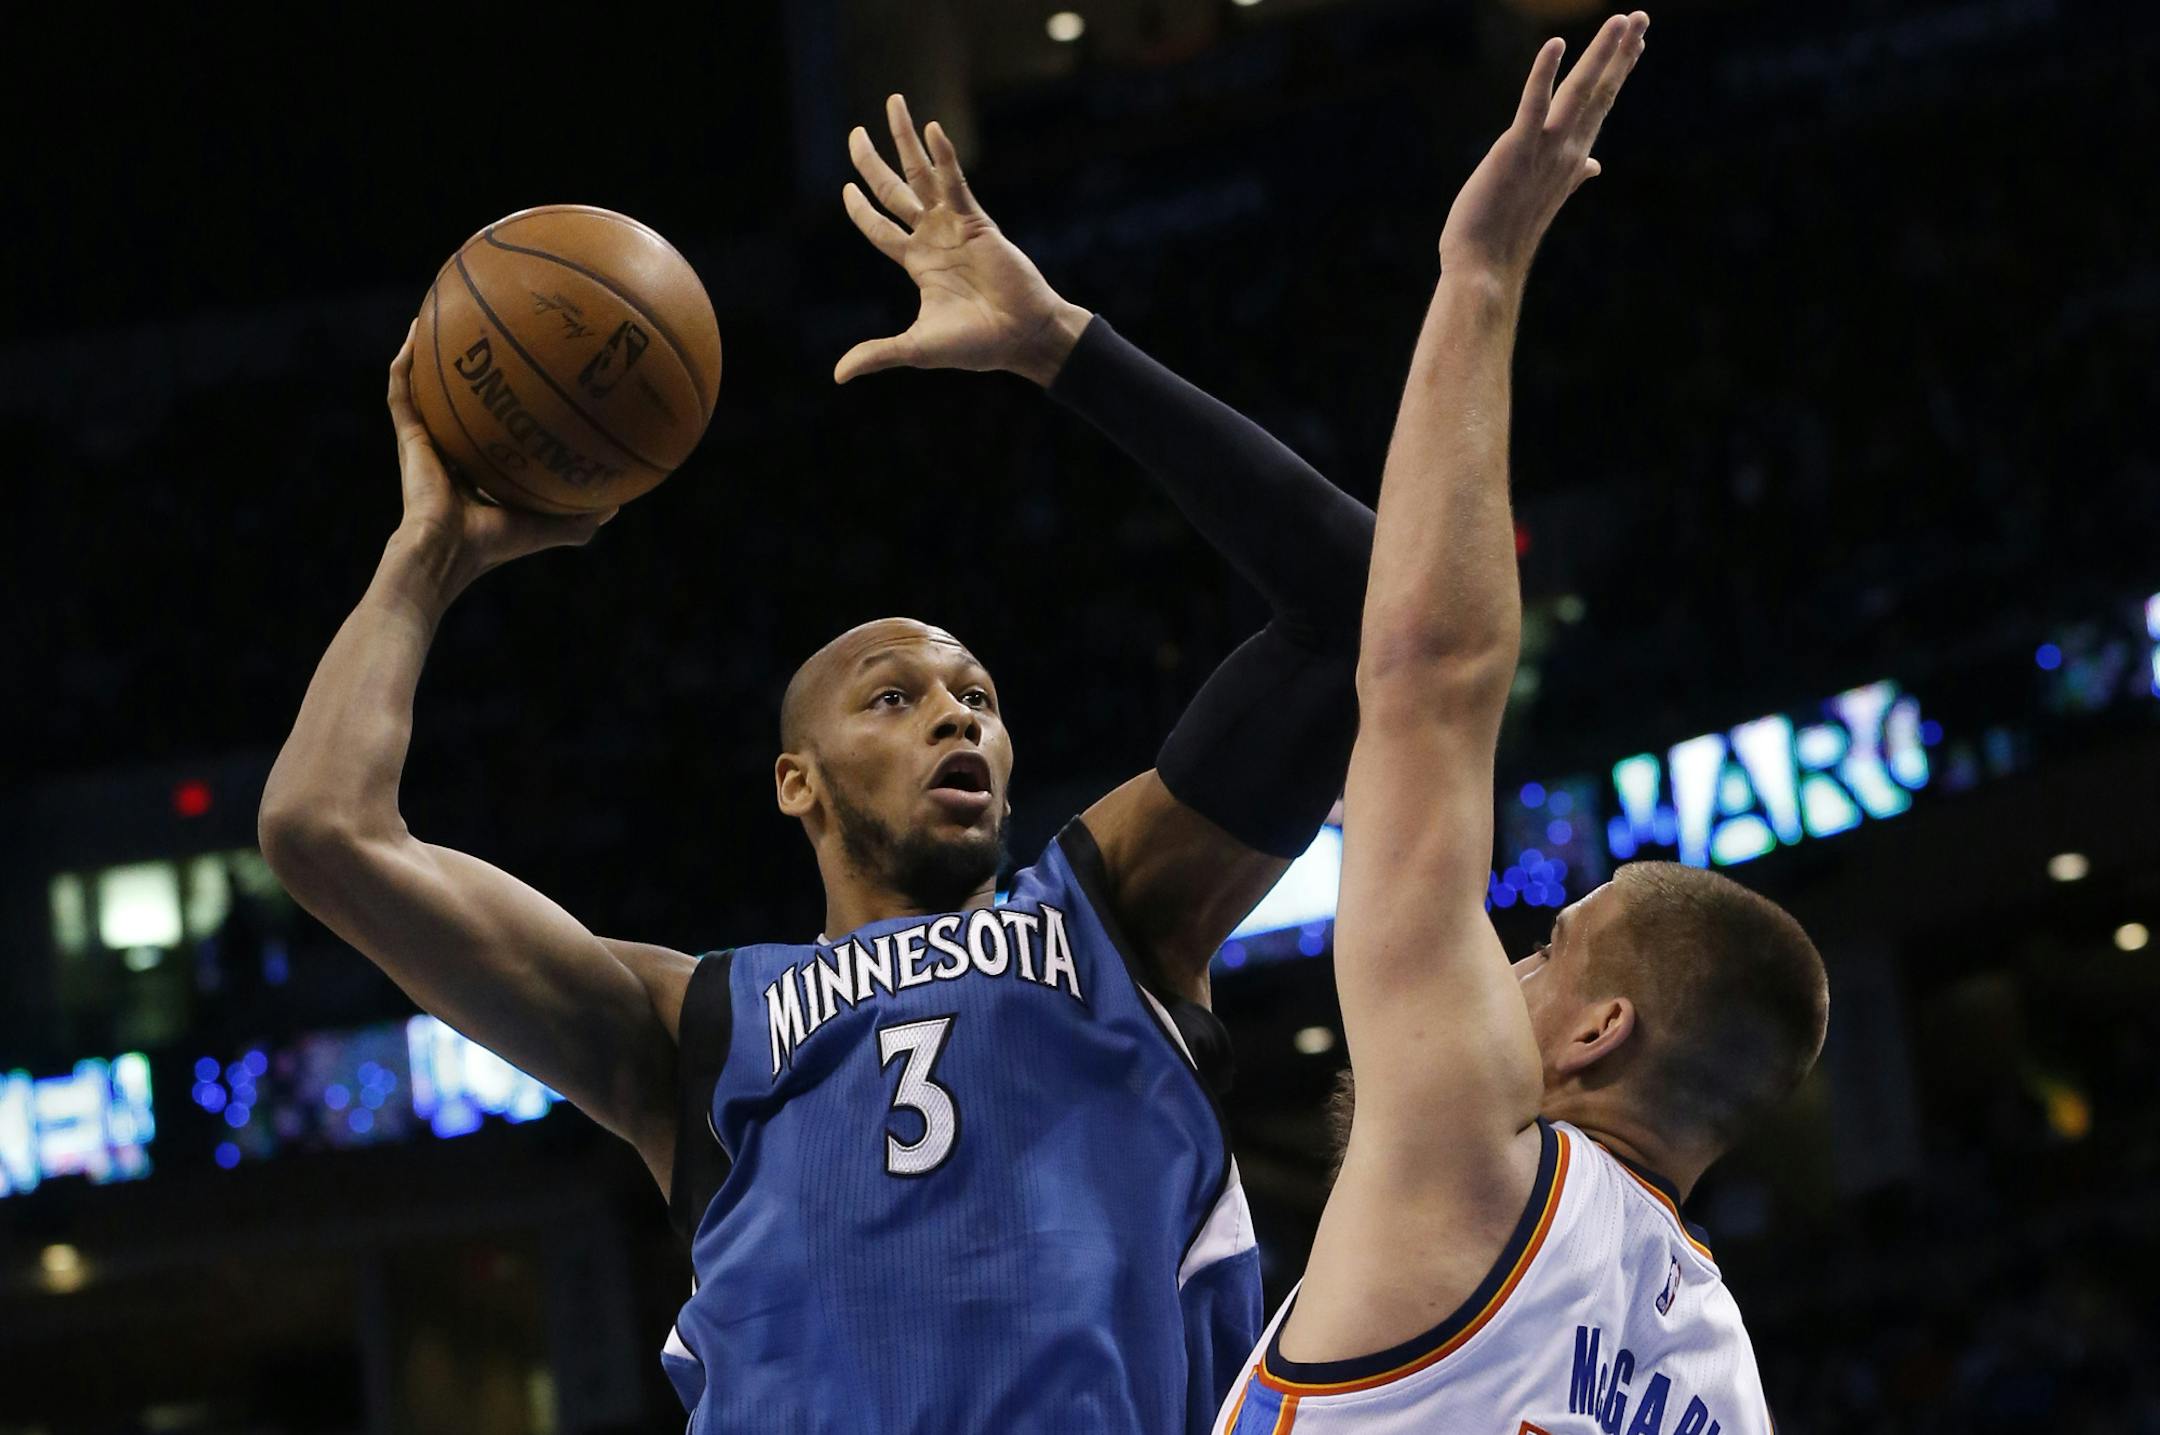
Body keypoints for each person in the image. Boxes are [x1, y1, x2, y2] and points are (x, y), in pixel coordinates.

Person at [260, 95, 1375, 1433]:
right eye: (893, 698)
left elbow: (1351, 606)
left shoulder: (1112, 917)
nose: (954, 718)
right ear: (796, 780)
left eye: (977, 698)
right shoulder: (694, 1026)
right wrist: (425, 558)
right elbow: (323, 831)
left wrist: (1064, 348)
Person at [1214, 16, 1827, 1434]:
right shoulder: (1728, 1394)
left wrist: (1479, 272)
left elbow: (1427, 681)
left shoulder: (1480, 1169)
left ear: (1601, 1029)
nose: (1512, 963)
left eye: (1550, 949)